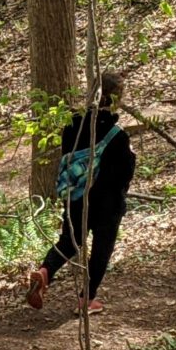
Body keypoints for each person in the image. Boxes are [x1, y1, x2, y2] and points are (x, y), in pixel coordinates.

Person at [27, 70, 137, 313]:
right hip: (107, 205)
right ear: (117, 99)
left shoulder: (73, 124)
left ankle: (45, 271)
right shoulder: (117, 136)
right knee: (101, 249)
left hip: (75, 196)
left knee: (69, 241)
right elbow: (124, 175)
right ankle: (86, 300)